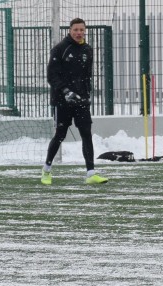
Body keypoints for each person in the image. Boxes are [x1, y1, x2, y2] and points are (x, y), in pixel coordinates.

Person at [41, 18, 108, 185]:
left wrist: (87, 93)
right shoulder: (60, 49)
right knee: (60, 135)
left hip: (81, 101)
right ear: (70, 30)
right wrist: (65, 91)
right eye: (76, 30)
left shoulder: (87, 50)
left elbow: (86, 76)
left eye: (82, 30)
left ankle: (91, 173)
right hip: (62, 101)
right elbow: (52, 76)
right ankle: (46, 169)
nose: (79, 33)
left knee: (86, 134)